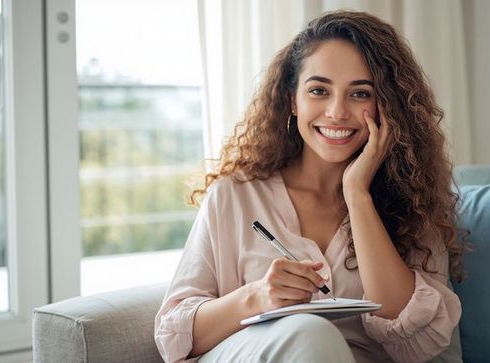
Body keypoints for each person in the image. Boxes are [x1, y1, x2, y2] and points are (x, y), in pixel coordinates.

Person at [155, 10, 465, 363]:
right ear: (292, 99)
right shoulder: (234, 195)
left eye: (360, 94)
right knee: (309, 333)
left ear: (387, 108)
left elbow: (414, 343)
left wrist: (357, 193)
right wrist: (257, 296)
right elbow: (175, 336)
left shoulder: (414, 203)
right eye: (319, 90)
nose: (336, 112)